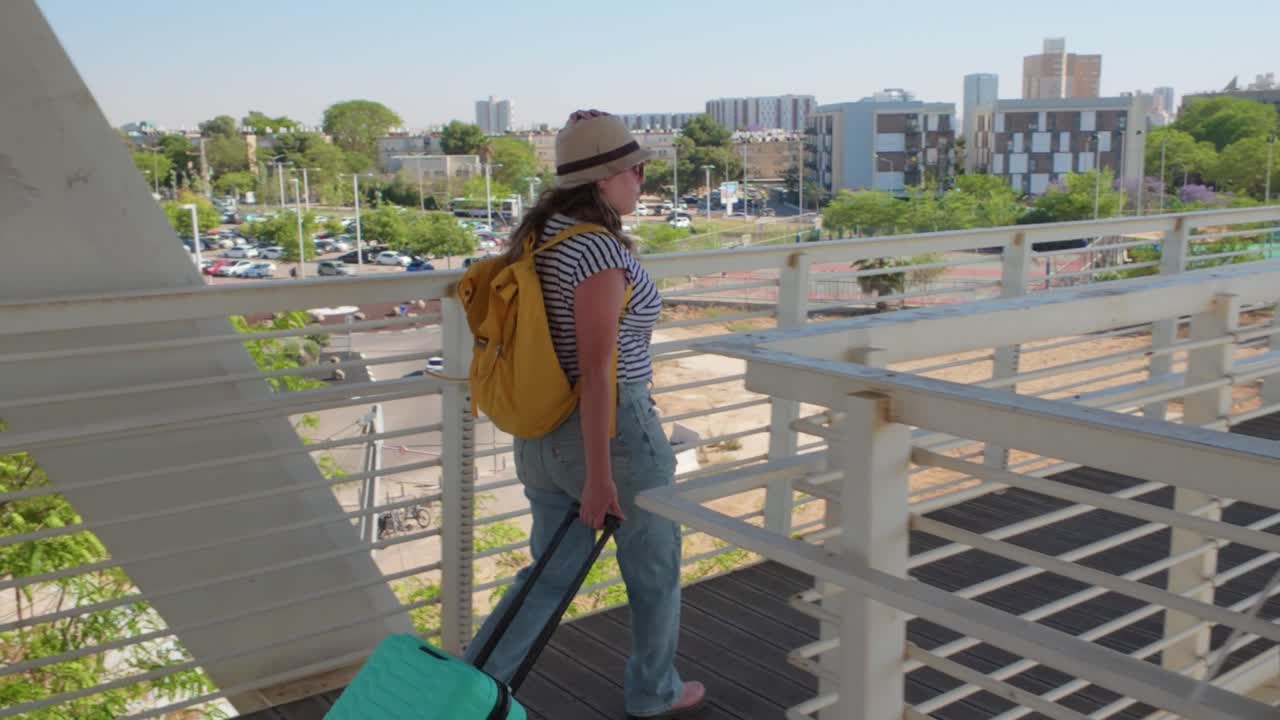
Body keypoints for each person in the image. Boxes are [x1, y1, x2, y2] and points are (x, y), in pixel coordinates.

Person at [464, 110, 706, 719]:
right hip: (610, 436)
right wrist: (600, 475)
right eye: (635, 170)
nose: (641, 181)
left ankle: (467, 695)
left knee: (546, 576)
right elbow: (597, 370)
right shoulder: (597, 250)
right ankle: (655, 692)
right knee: (654, 572)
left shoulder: (540, 238)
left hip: (542, 433)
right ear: (605, 180)